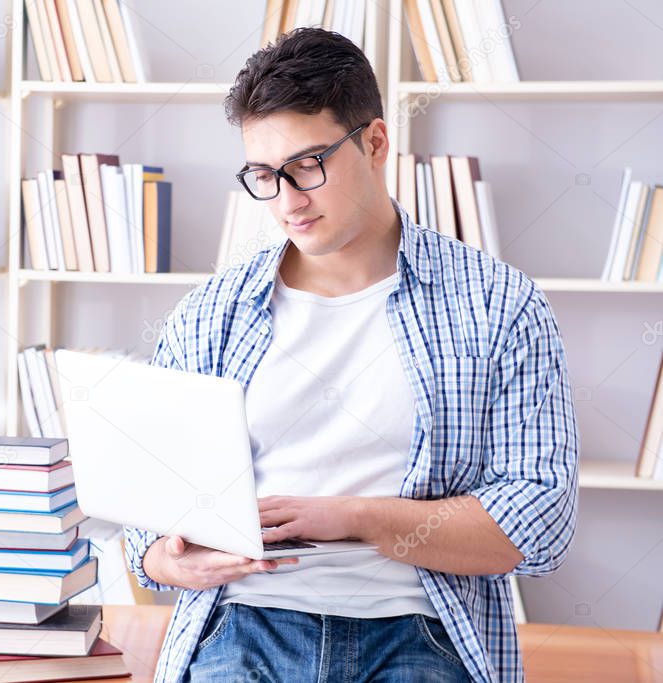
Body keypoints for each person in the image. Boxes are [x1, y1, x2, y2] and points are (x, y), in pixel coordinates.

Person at [124, 27, 579, 683]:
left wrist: (354, 518)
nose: (285, 200)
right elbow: (149, 514)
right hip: (244, 623)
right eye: (262, 175)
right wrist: (168, 559)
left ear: (374, 143)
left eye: (306, 166)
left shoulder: (498, 305)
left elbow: (537, 523)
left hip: (419, 630)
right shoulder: (208, 315)